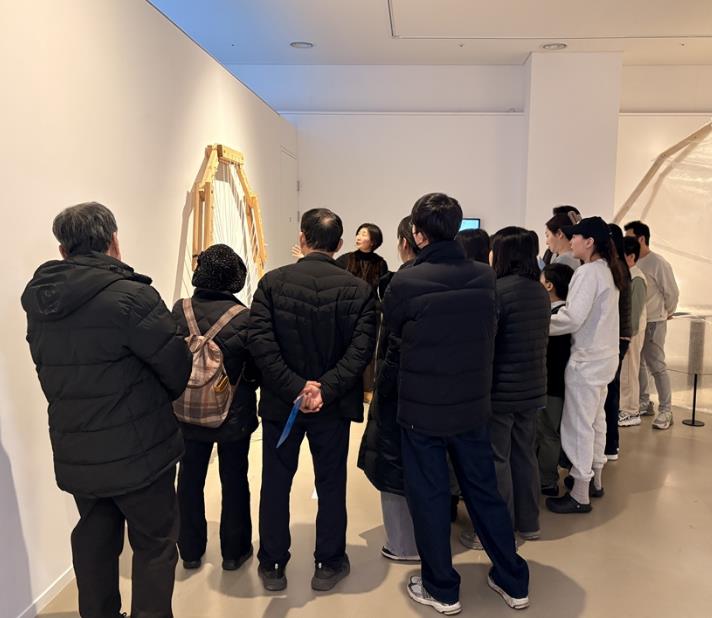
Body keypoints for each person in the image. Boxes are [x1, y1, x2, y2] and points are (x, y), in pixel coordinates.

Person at [21, 202, 192, 618]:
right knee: (154, 544)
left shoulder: (41, 303)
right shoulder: (133, 296)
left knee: (94, 544)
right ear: (114, 241)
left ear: (63, 250)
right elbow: (176, 368)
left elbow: (48, 372)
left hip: (78, 450)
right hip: (142, 452)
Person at [384, 193, 529, 615]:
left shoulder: (406, 281)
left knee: (429, 498)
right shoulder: (484, 275)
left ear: (417, 233)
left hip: (422, 410)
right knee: (484, 492)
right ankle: (513, 580)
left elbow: (393, 330)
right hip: (471, 406)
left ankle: (442, 589)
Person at [249, 208, 377, 592]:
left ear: (302, 239)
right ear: (339, 245)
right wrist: (324, 389)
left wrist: (295, 388)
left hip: (281, 404)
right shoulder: (359, 290)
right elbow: (361, 351)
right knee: (331, 483)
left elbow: (260, 343)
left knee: (275, 482)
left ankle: (273, 563)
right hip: (332, 408)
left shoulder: (272, 283)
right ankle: (329, 562)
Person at [460, 227, 550, 549]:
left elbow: (485, 343)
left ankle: (495, 531)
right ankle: (529, 523)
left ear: (502, 254)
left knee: (497, 458)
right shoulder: (539, 291)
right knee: (524, 454)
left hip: (501, 390)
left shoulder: (497, 291)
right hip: (533, 387)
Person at [172, 244, 259, 572]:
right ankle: (234, 552)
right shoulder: (245, 317)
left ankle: (190, 550)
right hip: (232, 414)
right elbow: (256, 370)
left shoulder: (179, 310)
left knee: (189, 479)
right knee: (234, 479)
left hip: (186, 412)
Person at [545, 217, 624, 515]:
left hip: (587, 361)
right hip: (605, 358)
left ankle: (579, 493)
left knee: (578, 425)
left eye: (575, 237)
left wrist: (539, 323)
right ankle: (595, 480)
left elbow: (572, 318)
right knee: (596, 420)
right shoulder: (608, 270)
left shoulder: (588, 272)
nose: (571, 241)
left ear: (589, 242)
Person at [358, 216, 420, 562]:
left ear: (405, 242)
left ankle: (403, 544)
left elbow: (391, 346)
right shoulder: (470, 282)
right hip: (443, 396)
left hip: (399, 388)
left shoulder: (399, 283)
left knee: (394, 460)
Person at [624, 221, 680, 430]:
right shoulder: (632, 262)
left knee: (657, 365)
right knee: (638, 364)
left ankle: (666, 410)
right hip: (638, 322)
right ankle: (644, 401)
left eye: (629, 237)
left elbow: (672, 293)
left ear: (641, 239)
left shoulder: (658, 263)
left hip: (654, 321)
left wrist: (666, 313)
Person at [336, 223, 388, 400]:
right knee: (346, 349)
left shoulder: (380, 263)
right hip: (348, 311)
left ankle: (367, 389)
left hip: (371, 312)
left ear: (373, 241)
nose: (358, 237)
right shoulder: (345, 259)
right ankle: (345, 386)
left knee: (368, 350)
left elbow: (383, 291)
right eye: (358, 233)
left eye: (364, 234)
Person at [537, 262, 575, 496]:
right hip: (558, 385)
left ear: (549, 285)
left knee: (548, 433)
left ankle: (547, 480)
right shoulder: (567, 315)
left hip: (551, 385)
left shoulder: (557, 319)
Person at [603, 224, 632, 461]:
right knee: (611, 390)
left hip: (616, 337)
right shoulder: (620, 266)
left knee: (610, 392)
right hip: (620, 337)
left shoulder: (615, 268)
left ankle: (610, 444)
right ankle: (611, 444)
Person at [618, 236, 648, 427]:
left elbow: (634, 313)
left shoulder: (637, 278)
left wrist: (627, 336)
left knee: (629, 371)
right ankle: (625, 408)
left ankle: (630, 411)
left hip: (632, 333)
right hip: (628, 332)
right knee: (625, 372)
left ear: (631, 257)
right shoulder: (629, 276)